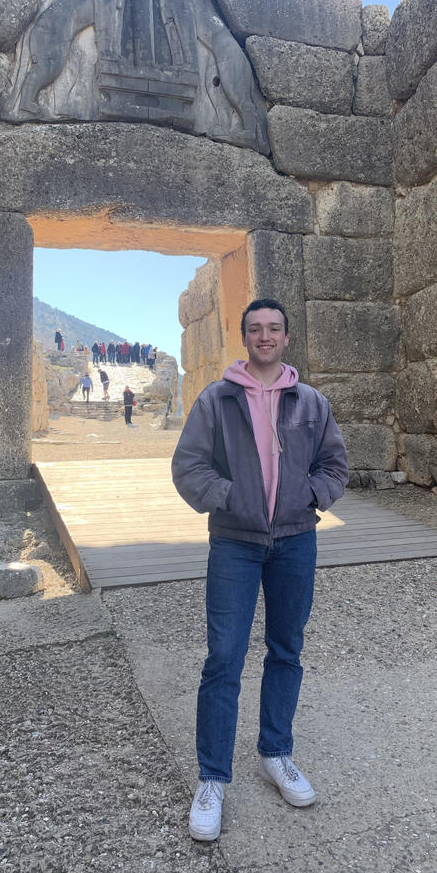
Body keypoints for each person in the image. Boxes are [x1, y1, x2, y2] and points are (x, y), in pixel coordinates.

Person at [171, 299, 348, 842]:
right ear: (244, 337)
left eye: (274, 328)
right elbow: (188, 465)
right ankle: (212, 778)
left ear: (286, 337)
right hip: (234, 544)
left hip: (296, 542)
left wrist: (309, 495)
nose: (265, 336)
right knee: (223, 657)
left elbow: (334, 463)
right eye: (255, 329)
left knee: (286, 649)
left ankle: (276, 753)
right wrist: (229, 497)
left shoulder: (311, 402)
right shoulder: (217, 399)